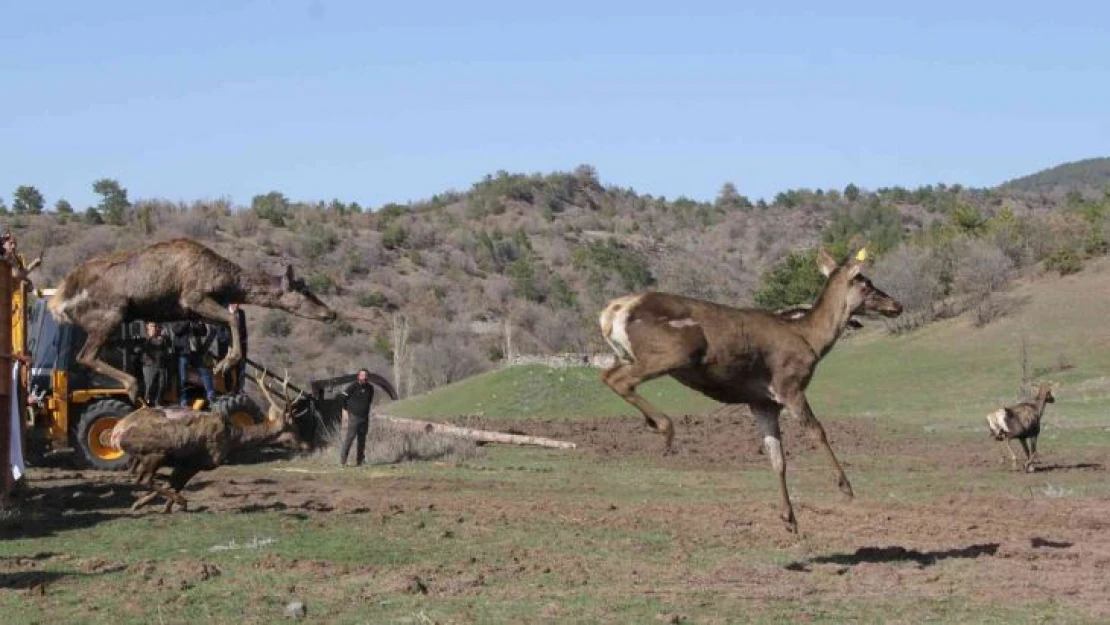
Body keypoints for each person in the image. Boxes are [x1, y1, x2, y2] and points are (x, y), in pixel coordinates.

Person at [171, 320, 216, 407]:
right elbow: (177, 330)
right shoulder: (178, 319)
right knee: (182, 378)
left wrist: (200, 324)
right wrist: (187, 321)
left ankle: (211, 395)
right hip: (183, 353)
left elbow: (203, 332)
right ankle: (183, 400)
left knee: (206, 372)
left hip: (195, 353)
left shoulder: (194, 321)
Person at [339, 368, 376, 466]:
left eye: (365, 375)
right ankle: (343, 461)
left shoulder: (370, 388)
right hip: (354, 417)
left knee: (362, 439)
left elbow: (369, 400)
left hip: (365, 417)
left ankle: (360, 461)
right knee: (349, 438)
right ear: (358, 376)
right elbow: (342, 398)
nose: (364, 377)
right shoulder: (352, 386)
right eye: (362, 375)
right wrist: (347, 409)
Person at [134, 321, 171, 406]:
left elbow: (168, 351)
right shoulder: (143, 338)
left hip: (161, 365)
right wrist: (149, 339)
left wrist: (164, 340)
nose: (155, 328)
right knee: (149, 386)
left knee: (162, 385)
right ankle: (147, 403)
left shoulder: (163, 339)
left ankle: (158, 402)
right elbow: (137, 350)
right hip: (149, 365)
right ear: (147, 327)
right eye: (153, 326)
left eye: (156, 326)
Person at [214, 303, 248, 393]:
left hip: (240, 345)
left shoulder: (241, 313)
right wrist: (228, 340)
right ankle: (228, 388)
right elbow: (219, 330)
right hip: (226, 345)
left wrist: (242, 341)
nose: (236, 305)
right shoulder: (222, 312)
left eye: (238, 303)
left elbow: (243, 329)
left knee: (241, 367)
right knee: (226, 367)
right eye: (234, 303)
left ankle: (239, 389)